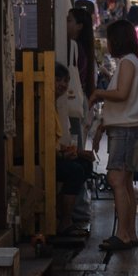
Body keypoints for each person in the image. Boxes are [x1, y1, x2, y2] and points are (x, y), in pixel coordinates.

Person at [89, 17, 138, 252]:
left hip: (125, 129)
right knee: (125, 183)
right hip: (130, 127)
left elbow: (121, 94)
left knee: (116, 180)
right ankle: (129, 233)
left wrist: (98, 93)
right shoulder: (133, 62)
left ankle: (123, 234)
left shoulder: (126, 63)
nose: (107, 44)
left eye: (108, 40)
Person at [51, 62, 93, 243]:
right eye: (58, 80)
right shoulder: (41, 104)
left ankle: (66, 216)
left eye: (66, 81)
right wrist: (61, 155)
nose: (62, 85)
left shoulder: (54, 104)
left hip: (53, 155)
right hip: (42, 158)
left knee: (85, 164)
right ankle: (65, 222)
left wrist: (74, 152)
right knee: (74, 170)